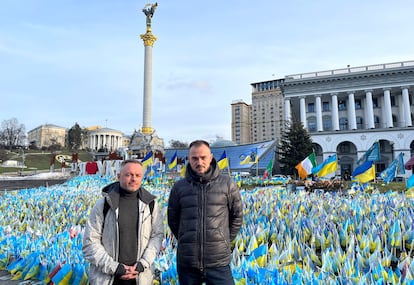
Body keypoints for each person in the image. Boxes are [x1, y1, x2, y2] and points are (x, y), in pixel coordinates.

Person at [167, 140, 243, 285]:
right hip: (188, 261)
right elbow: (173, 220)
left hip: (218, 261)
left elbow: (237, 216)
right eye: (194, 158)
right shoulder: (179, 187)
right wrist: (187, 239)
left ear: (211, 158)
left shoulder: (227, 184)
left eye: (203, 157)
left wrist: (223, 239)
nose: (199, 162)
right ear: (188, 159)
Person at [83, 159, 163, 285]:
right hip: (108, 278)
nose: (133, 179)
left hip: (139, 278)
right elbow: (90, 242)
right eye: (128, 175)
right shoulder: (103, 204)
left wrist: (143, 264)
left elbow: (157, 236)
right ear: (119, 176)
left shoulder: (151, 205)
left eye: (137, 175)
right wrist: (115, 268)